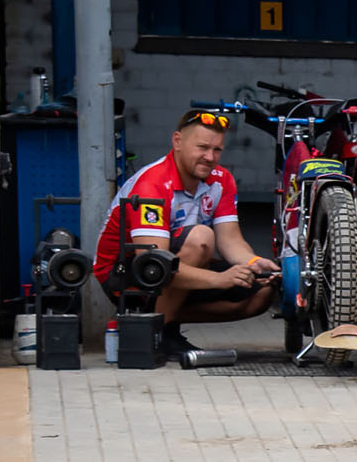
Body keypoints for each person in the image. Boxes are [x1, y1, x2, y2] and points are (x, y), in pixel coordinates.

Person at [92, 108, 278, 352]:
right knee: (201, 237)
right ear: (177, 141)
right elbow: (153, 262)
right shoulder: (152, 183)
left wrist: (253, 262)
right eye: (202, 147)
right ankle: (157, 335)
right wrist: (218, 279)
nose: (210, 157)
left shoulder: (221, 179)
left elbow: (231, 239)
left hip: (175, 264)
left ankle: (146, 320)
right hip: (124, 270)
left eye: (217, 150)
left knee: (261, 292)